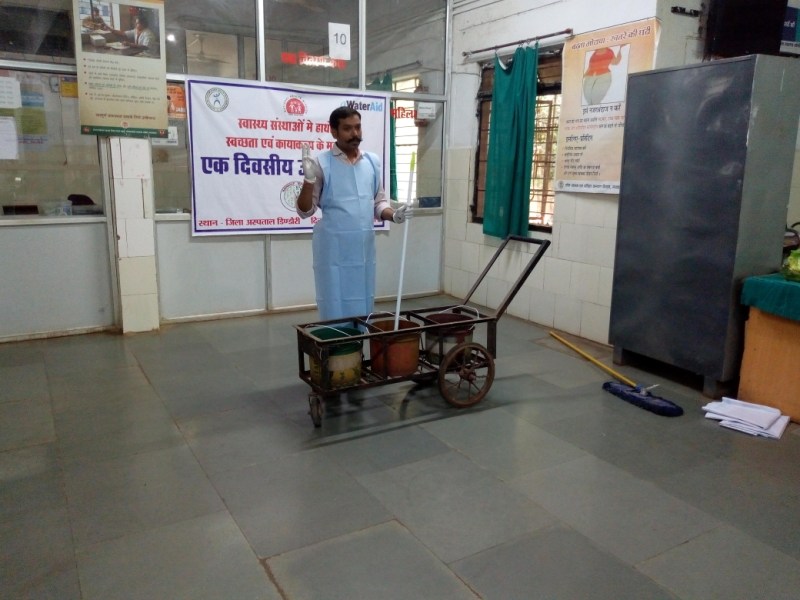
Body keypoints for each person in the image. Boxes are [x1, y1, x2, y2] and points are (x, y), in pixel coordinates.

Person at [296, 107, 413, 321]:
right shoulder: (322, 163)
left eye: (358, 127)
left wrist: (394, 214)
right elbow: (305, 211)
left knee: (362, 299)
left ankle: (360, 339)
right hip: (333, 250)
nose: (355, 134)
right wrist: (309, 180)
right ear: (334, 132)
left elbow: (378, 202)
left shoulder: (372, 162)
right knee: (335, 300)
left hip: (362, 249)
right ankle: (336, 340)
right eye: (347, 129)